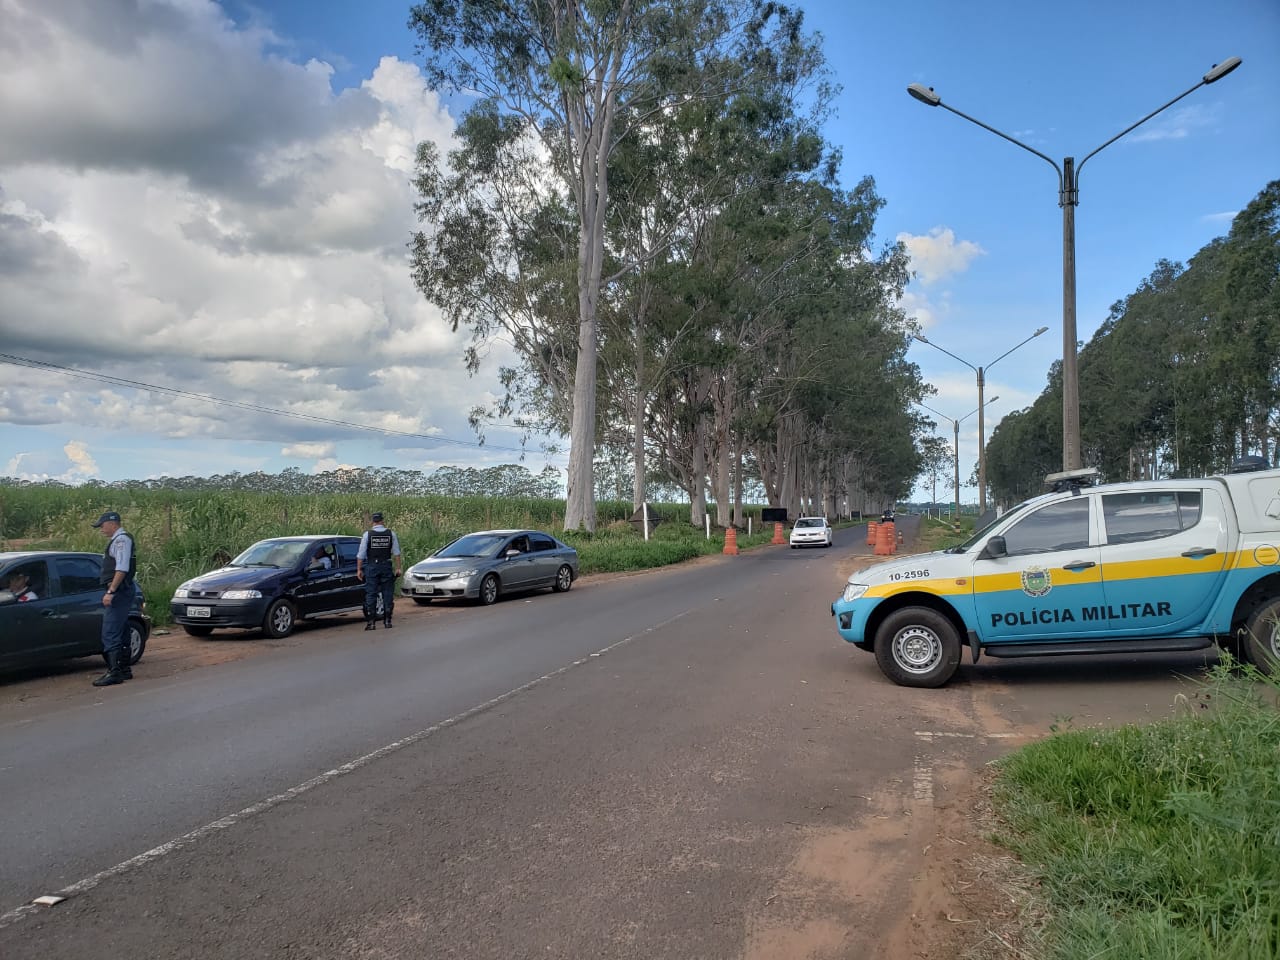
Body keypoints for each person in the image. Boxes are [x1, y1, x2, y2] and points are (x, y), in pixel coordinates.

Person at [91, 511, 137, 687]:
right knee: (123, 628)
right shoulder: (120, 540)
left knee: (110, 632)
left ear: (112, 524)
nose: (101, 530)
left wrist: (111, 591)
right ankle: (124, 669)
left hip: (119, 591)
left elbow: (122, 568)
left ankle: (114, 672)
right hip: (123, 590)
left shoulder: (121, 540)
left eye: (102, 526)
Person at [356, 511, 401, 630]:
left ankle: (371, 623)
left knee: (371, 594)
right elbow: (396, 553)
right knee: (387, 593)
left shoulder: (367, 535)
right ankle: (387, 621)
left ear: (373, 522)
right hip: (386, 565)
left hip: (372, 567)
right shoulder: (391, 534)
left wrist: (359, 569)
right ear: (382, 521)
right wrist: (398, 568)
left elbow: (361, 554)